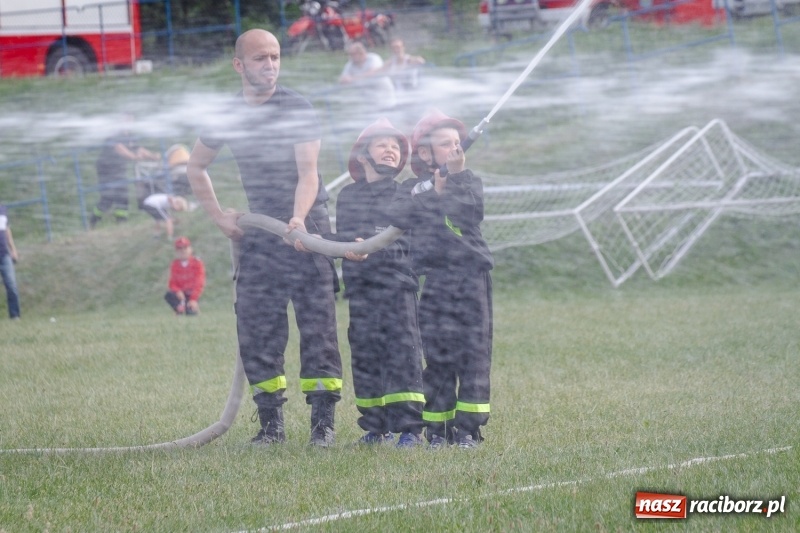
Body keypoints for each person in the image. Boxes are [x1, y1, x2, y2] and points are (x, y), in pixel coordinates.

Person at [186, 29, 342, 448]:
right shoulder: (227, 114)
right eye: (260, 58)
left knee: (318, 326)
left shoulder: (296, 107)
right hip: (260, 230)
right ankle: (271, 423)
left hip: (307, 225)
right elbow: (196, 167)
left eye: (275, 57)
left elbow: (308, 173)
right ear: (239, 65)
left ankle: (322, 423)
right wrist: (219, 217)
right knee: (256, 324)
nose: (270, 65)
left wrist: (298, 219)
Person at [388, 109, 494, 449]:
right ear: (424, 153)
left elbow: (469, 213)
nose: (454, 149)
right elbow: (398, 213)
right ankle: (438, 430)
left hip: (471, 280)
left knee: (473, 356)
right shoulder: (411, 189)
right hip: (435, 283)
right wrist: (434, 190)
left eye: (456, 143)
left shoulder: (470, 181)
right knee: (438, 358)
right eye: (444, 144)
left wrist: (455, 181)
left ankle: (468, 430)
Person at [333, 118, 424, 448]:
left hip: (396, 288)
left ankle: (410, 429)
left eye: (396, 146)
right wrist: (313, 239)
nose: (391, 150)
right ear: (362, 155)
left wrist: (367, 242)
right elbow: (344, 237)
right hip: (361, 289)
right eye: (382, 144)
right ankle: (375, 427)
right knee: (366, 357)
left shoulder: (407, 191)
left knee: (402, 355)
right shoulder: (348, 195)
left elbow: (402, 239)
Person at [90, 120, 160, 228]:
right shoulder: (115, 135)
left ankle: (121, 224)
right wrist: (134, 157)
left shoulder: (130, 136)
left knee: (123, 196)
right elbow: (120, 148)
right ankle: (92, 222)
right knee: (107, 198)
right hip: (107, 169)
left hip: (119, 169)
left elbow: (139, 149)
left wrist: (152, 156)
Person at [338, 41, 396, 111]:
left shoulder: (373, 58)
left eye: (352, 54)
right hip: (368, 102)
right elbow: (342, 79)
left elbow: (373, 72)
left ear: (361, 53)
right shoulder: (350, 64)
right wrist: (345, 79)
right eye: (350, 54)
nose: (350, 57)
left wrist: (353, 79)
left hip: (385, 98)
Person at [164, 236, 205, 316]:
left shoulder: (197, 263)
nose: (183, 251)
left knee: (191, 314)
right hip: (180, 294)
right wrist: (178, 291)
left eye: (185, 248)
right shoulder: (175, 264)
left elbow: (199, 282)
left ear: (190, 249)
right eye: (179, 249)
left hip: (191, 293)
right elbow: (172, 283)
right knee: (169, 295)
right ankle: (179, 309)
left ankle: (192, 307)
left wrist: (193, 299)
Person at [0, 204, 21, 320]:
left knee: (12, 286)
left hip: (4, 255)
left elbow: (7, 231)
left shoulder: (2, 209)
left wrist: (13, 250)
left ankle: (15, 316)